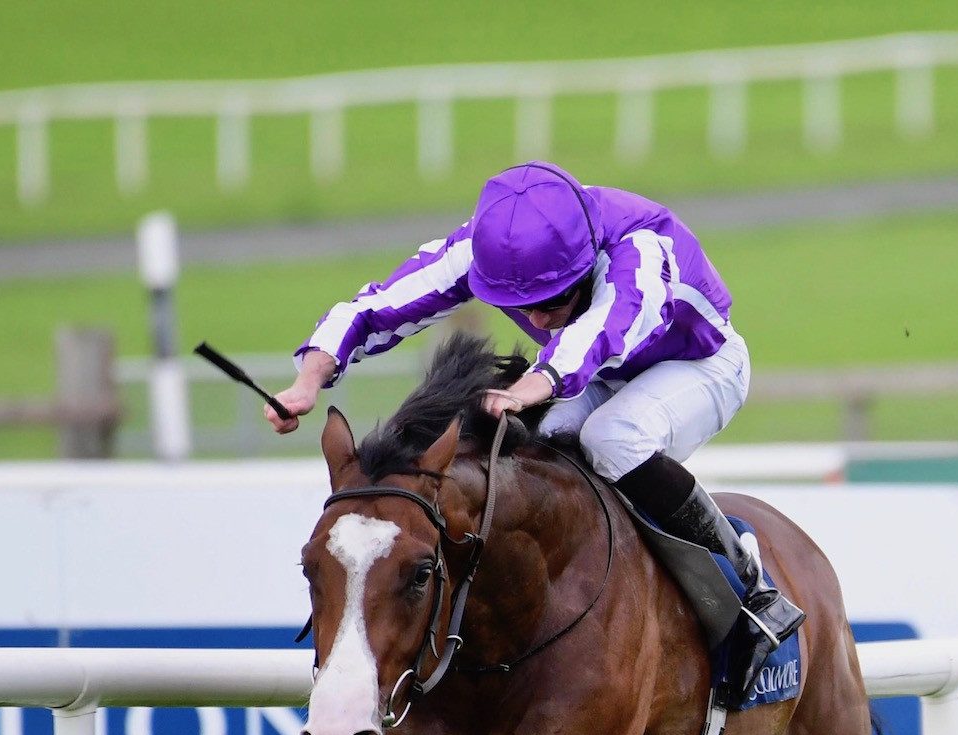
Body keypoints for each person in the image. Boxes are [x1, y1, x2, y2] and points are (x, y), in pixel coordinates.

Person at [267, 160, 804, 677]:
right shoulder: (479, 249)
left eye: (554, 299)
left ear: (586, 259)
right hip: (596, 376)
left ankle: (747, 580)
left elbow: (602, 334)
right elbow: (377, 306)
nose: (539, 318)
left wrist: (531, 385)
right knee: (535, 450)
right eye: (524, 306)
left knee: (611, 439)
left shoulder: (641, 248)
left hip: (700, 366)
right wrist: (310, 379)